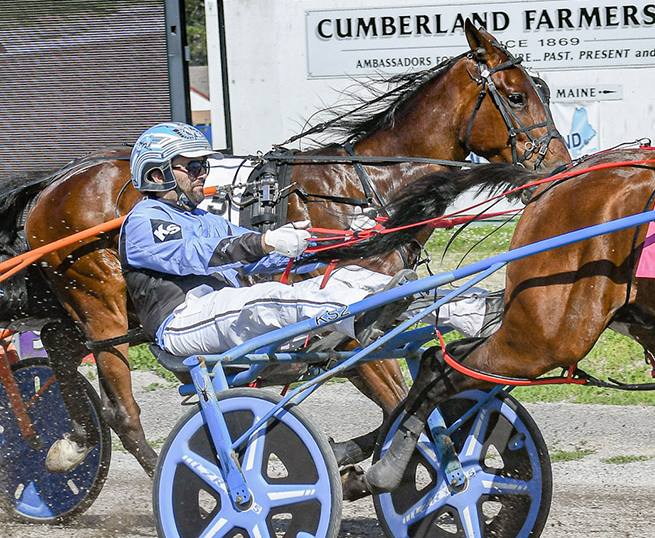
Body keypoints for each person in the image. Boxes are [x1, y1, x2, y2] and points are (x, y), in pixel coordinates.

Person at [46, 122, 498, 472]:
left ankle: (472, 311)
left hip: (222, 315)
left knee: (345, 280)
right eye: (194, 165)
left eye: (204, 165)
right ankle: (360, 318)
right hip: (183, 322)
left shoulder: (207, 218)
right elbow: (200, 255)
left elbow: (258, 255)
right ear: (159, 172)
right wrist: (265, 244)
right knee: (266, 300)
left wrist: (341, 246)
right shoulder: (145, 219)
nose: (204, 173)